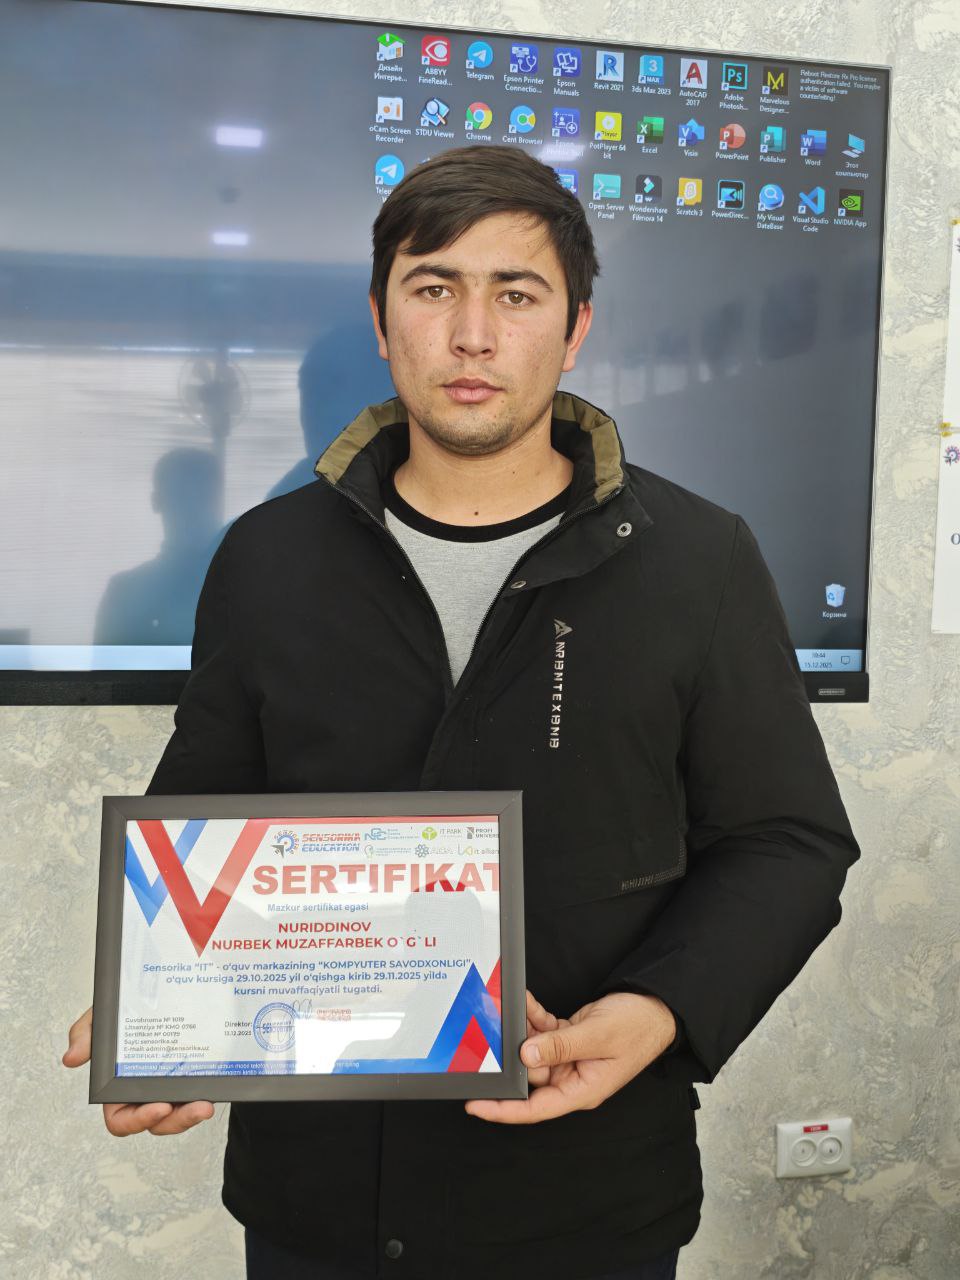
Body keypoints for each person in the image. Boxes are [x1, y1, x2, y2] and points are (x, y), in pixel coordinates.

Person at [65, 145, 860, 1280]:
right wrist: (165, 1013)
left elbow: (788, 840)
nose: (473, 335)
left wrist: (658, 1009)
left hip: (585, 1191)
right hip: (316, 1202)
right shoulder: (267, 559)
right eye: (434, 288)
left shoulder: (699, 558)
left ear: (576, 328)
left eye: (516, 294)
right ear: (383, 319)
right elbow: (201, 828)